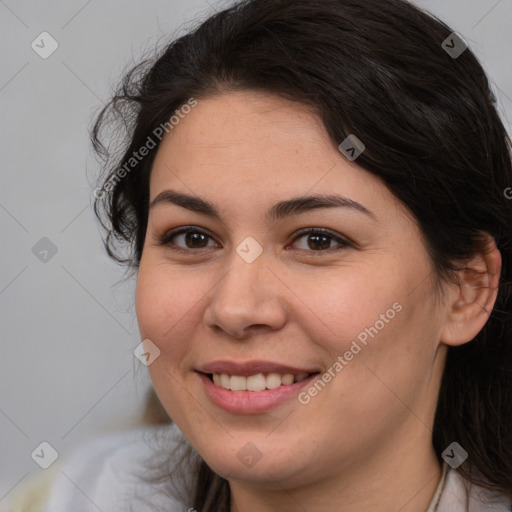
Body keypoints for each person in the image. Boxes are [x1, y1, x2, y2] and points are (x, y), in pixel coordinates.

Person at [9, 0, 512, 510]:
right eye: (192, 238)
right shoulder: (69, 496)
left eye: (318, 240)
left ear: (467, 291)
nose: (235, 309)